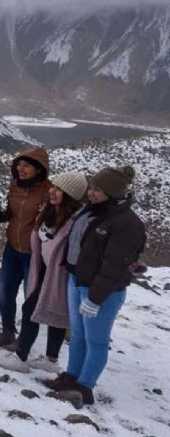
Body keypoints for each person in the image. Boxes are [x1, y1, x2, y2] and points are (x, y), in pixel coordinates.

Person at [42, 166, 146, 406]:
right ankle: (71, 377)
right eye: (92, 188)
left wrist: (95, 298)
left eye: (98, 190)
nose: (91, 193)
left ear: (113, 193)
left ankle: (84, 387)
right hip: (77, 280)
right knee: (78, 336)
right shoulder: (91, 211)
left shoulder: (126, 223)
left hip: (101, 292)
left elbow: (113, 265)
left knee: (96, 341)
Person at [0, 171, 87, 374]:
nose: (52, 191)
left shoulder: (75, 222)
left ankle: (21, 357)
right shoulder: (50, 212)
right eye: (53, 187)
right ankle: (50, 360)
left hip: (59, 276)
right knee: (53, 314)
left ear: (70, 196)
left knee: (31, 310)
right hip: (44, 270)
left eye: (59, 190)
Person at [0, 147, 52, 348]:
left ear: (39, 169)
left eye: (26, 166)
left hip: (34, 255)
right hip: (12, 249)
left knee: (29, 299)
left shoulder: (48, 191)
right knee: (5, 293)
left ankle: (24, 340)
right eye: (19, 165)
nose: (20, 169)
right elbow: (11, 214)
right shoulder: (15, 186)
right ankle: (7, 332)